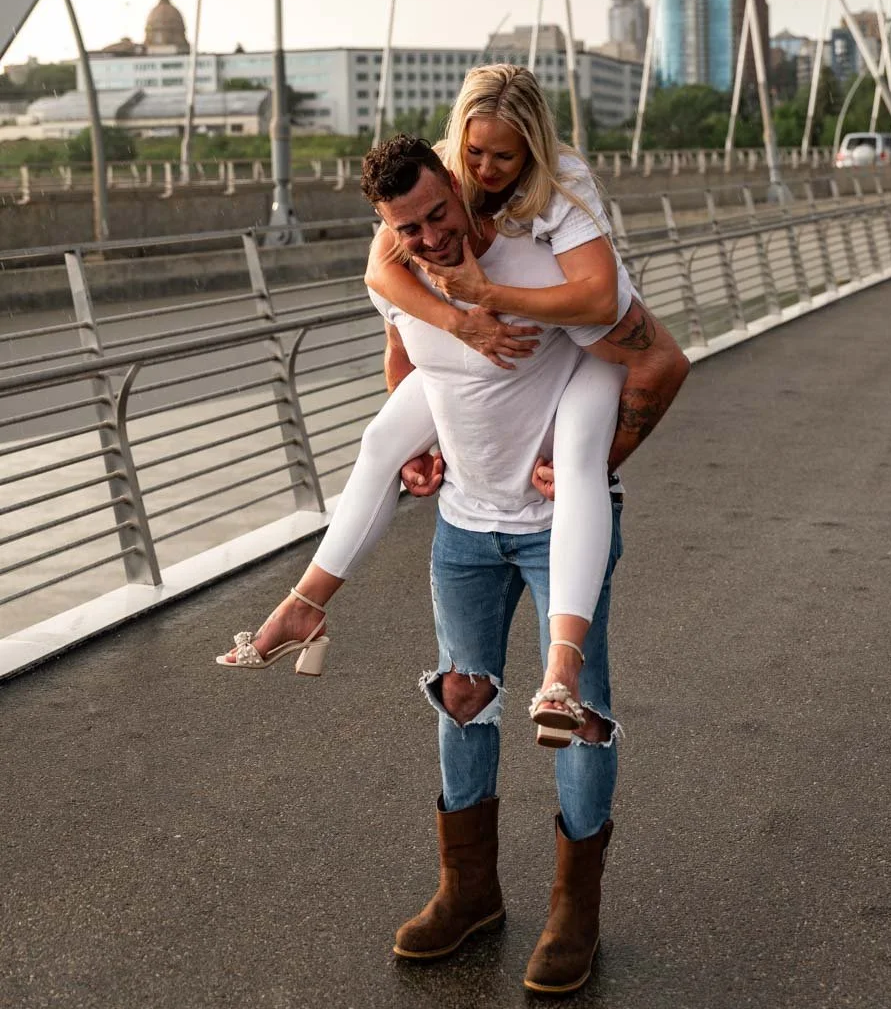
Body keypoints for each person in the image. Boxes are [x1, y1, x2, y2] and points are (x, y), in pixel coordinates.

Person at [219, 66, 685, 745]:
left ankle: (560, 671)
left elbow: (599, 301)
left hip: (585, 336)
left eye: (504, 156)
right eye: (475, 153)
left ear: (532, 149)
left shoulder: (564, 183)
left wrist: (487, 297)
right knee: (382, 441)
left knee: (581, 460)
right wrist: (460, 324)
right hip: (475, 348)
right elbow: (381, 275)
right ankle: (304, 605)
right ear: (456, 147)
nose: (487, 169)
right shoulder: (435, 179)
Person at [336, 136, 689, 991]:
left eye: (497, 160)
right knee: (462, 694)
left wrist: (600, 461)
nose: (430, 231)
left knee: (581, 710)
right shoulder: (413, 247)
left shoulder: (560, 256)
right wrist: (419, 443)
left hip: (559, 526)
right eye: (475, 154)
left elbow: (659, 357)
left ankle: (575, 911)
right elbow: (402, 339)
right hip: (465, 525)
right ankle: (469, 891)